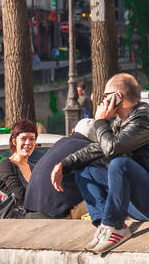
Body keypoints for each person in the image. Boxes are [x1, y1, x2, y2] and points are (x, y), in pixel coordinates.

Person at [51, 73, 149, 253]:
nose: (101, 102)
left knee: (120, 164)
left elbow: (112, 148)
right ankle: (105, 226)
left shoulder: (143, 120)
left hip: (146, 202)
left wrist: (101, 121)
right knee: (86, 170)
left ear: (117, 97)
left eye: (105, 97)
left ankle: (115, 226)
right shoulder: (120, 122)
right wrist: (64, 164)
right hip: (134, 201)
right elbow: (97, 148)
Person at [24, 118, 95, 218]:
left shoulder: (61, 142)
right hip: (56, 212)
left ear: (73, 131)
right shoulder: (88, 148)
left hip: (31, 208)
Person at [0, 119, 37, 211]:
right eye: (23, 138)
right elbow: (20, 194)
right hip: (11, 221)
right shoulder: (6, 165)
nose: (28, 143)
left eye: (32, 139)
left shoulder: (33, 168)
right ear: (14, 141)